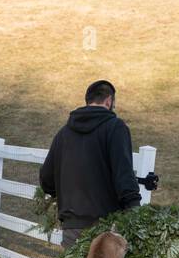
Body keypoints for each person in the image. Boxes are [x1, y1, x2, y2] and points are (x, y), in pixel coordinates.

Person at [39, 80, 141, 248]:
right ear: (109, 101)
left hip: (72, 227)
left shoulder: (63, 133)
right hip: (106, 228)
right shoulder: (115, 128)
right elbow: (123, 173)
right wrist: (134, 209)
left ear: (88, 100)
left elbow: (46, 179)